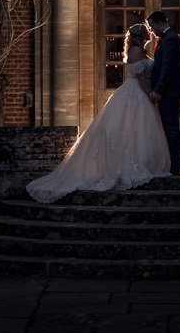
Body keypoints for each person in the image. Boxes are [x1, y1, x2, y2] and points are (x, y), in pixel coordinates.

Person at [24, 21, 170, 203]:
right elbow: (140, 77)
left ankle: (139, 162)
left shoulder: (139, 51)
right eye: (147, 32)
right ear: (140, 36)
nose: (150, 33)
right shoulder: (137, 51)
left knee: (135, 130)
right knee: (130, 129)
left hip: (134, 92)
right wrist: (151, 95)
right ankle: (127, 167)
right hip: (136, 92)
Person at [144, 8, 180, 177]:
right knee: (169, 127)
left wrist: (158, 91)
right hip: (170, 91)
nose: (151, 30)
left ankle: (175, 166)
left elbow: (167, 68)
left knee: (171, 128)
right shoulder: (167, 39)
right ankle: (172, 163)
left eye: (151, 26)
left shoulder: (170, 40)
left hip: (171, 92)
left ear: (159, 23)